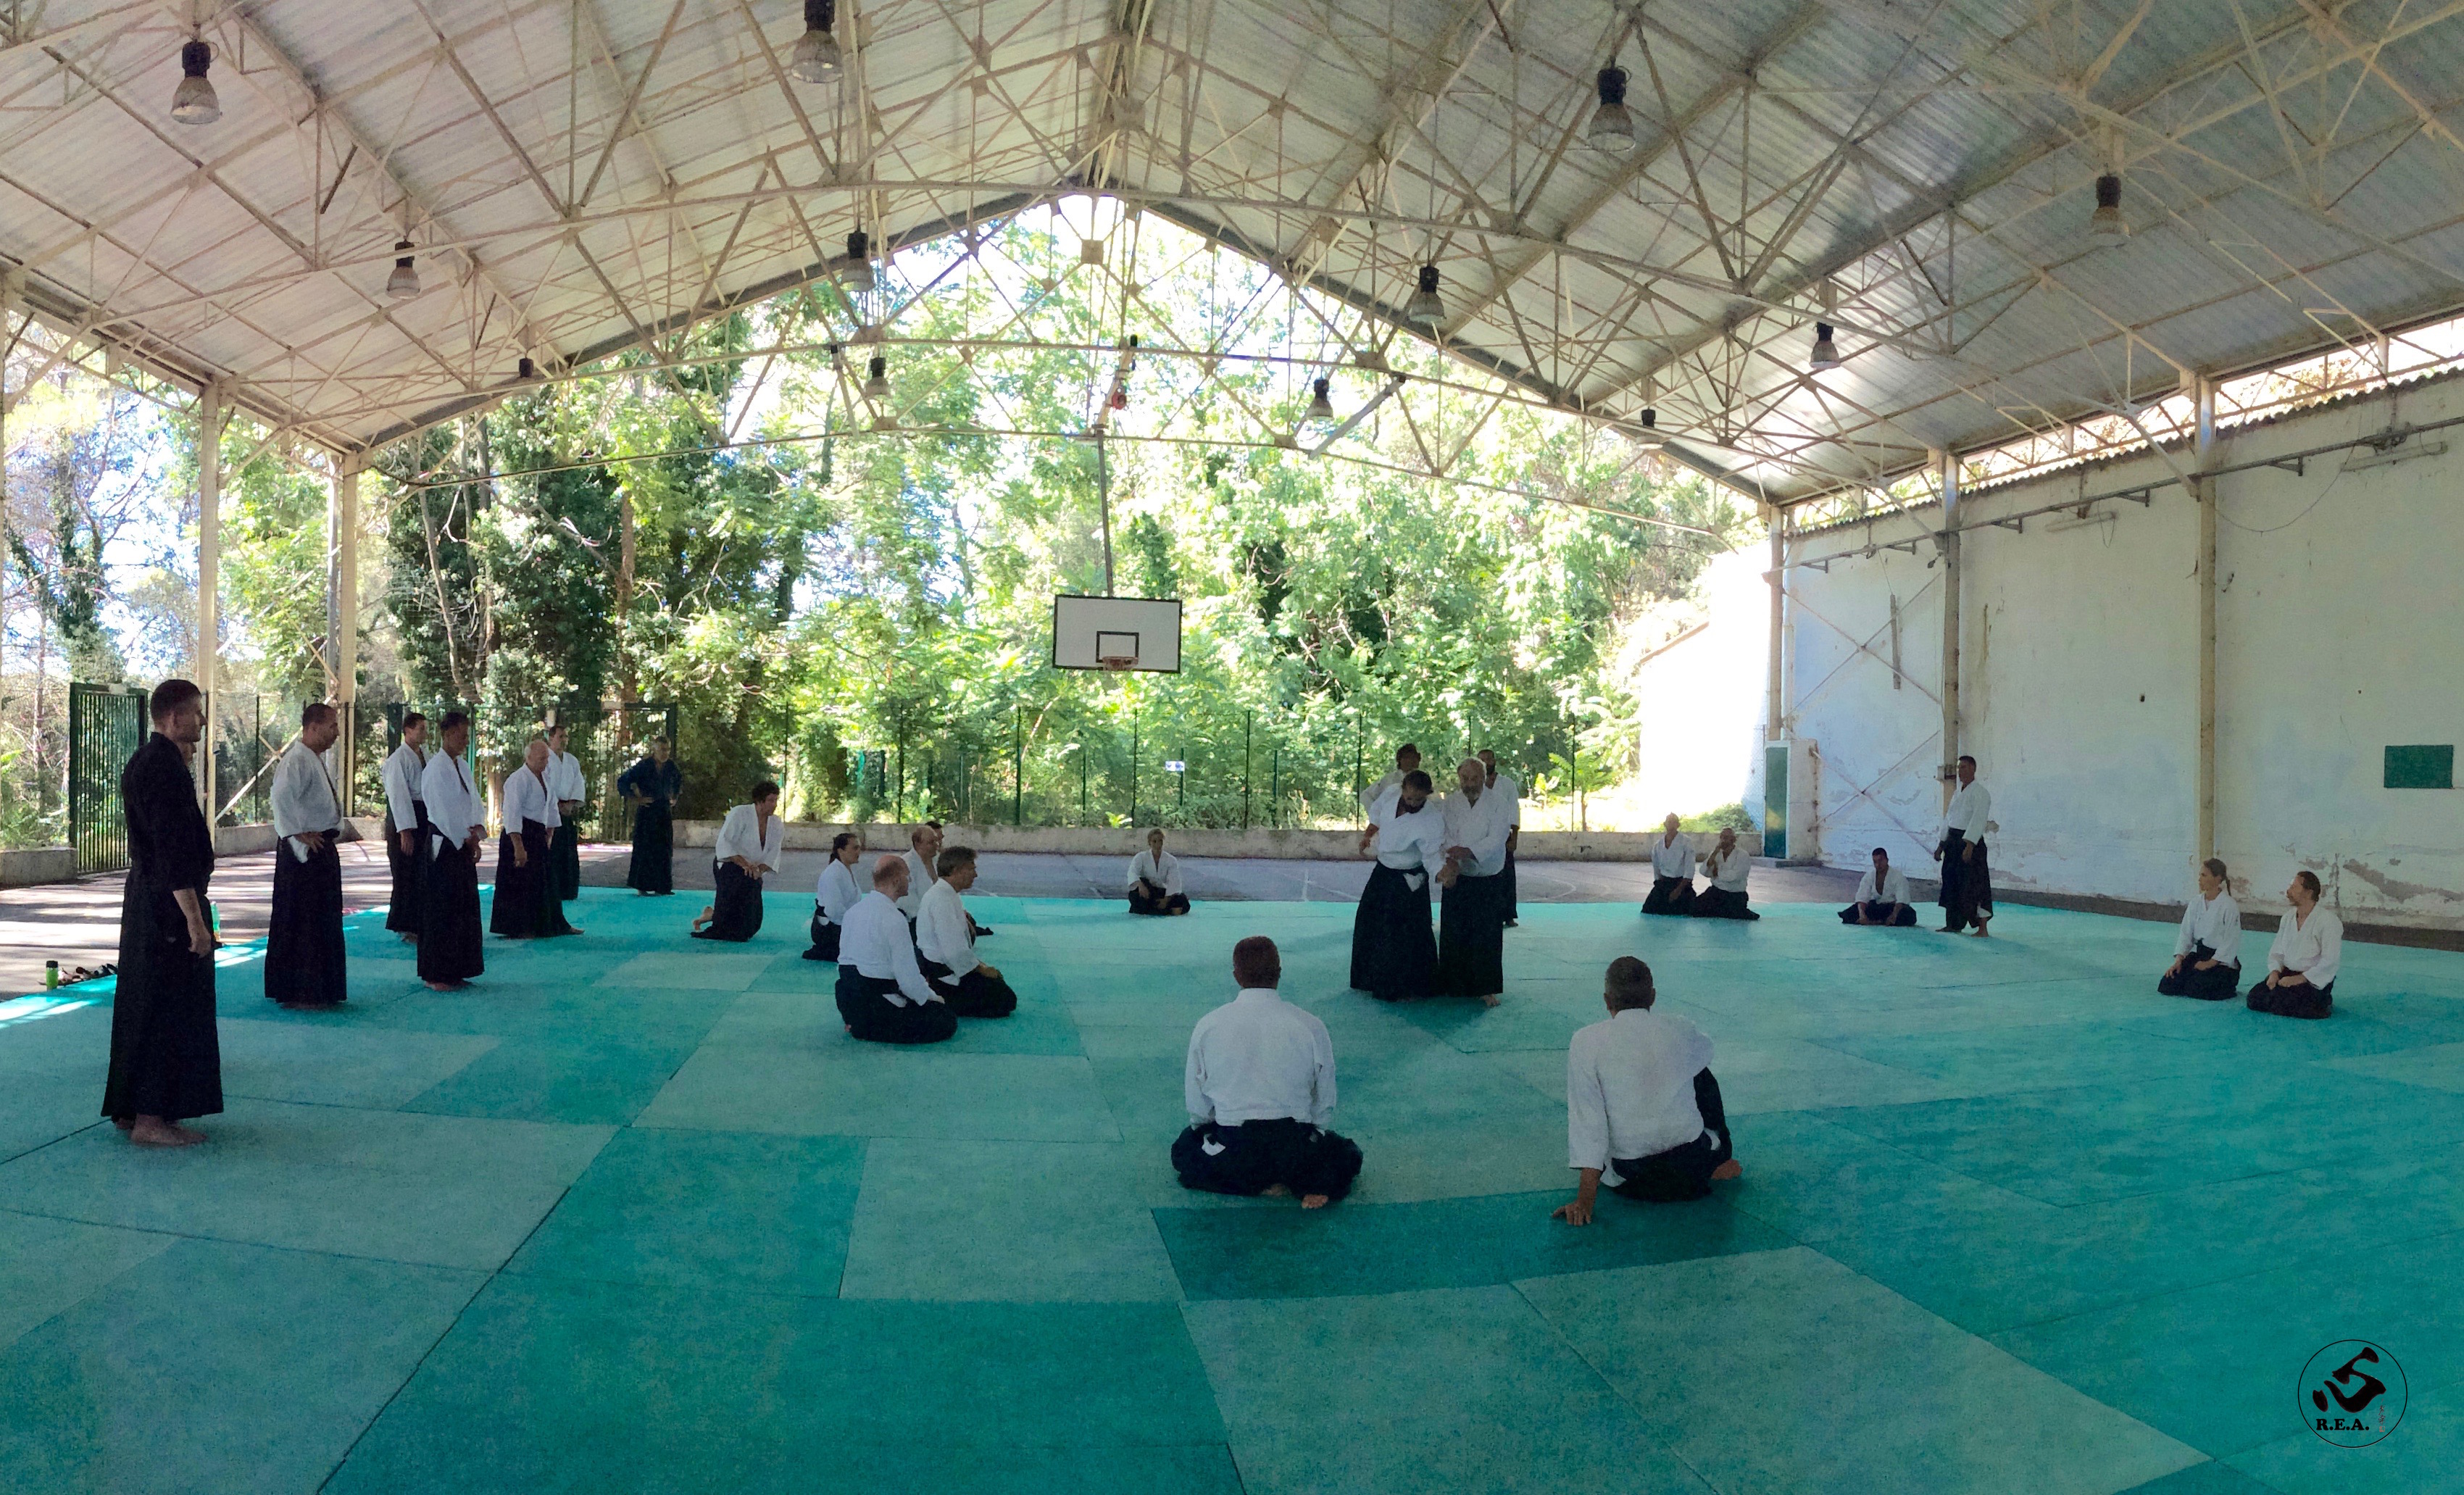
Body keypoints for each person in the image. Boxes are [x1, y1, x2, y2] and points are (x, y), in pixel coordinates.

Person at [103, 678, 222, 1147]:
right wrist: (195, 921)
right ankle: (152, 1119)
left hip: (150, 900)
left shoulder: (148, 760)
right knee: (167, 1005)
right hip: (169, 905)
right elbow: (172, 852)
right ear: (174, 718)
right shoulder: (164, 768)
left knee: (141, 999)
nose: (203, 721)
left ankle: (131, 1106)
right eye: (197, 712)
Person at [1173, 936, 1363, 1207]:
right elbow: (1324, 1102)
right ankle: (1308, 1183)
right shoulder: (1311, 1025)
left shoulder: (1209, 1025)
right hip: (1294, 1146)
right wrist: (1314, 1133)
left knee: (1185, 1149)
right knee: (1346, 1153)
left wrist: (1212, 1126)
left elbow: (1198, 1108)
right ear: (1279, 974)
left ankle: (1253, 1183)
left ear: (1236, 976)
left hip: (1235, 1146)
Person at [1552, 957, 1741, 1222]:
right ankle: (1720, 1160)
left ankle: (1709, 1163)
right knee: (1700, 1072)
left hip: (1635, 1180)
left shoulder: (1585, 1041)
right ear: (1653, 997)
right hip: (1693, 1168)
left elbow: (1589, 1123)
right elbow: (1706, 1050)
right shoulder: (1680, 1027)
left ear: (1607, 1001)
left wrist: (1585, 1201)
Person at [265, 702, 349, 1007]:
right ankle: (299, 990)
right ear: (313, 728)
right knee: (302, 922)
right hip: (303, 854)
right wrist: (296, 836)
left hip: (320, 847)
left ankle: (321, 988)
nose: (337, 732)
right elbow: (279, 798)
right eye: (332, 726)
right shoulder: (296, 760)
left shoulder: (312, 758)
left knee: (322, 920)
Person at [835, 856, 958, 1044]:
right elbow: (908, 979)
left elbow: (844, 962)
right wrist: (932, 997)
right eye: (908, 877)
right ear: (896, 881)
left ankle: (859, 1023)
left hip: (849, 1001)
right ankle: (870, 1028)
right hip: (878, 1004)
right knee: (945, 1019)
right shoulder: (894, 919)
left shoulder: (853, 912)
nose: (910, 881)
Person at [1350, 770, 1446, 1001]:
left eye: (1419, 799)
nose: (1413, 803)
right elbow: (1377, 814)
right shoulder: (1392, 793)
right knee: (1368, 920)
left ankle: (1405, 987)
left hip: (1409, 876)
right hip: (1384, 870)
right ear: (1402, 789)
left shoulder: (1432, 819)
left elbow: (1431, 855)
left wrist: (1441, 873)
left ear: (1428, 795)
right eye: (1409, 797)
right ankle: (1368, 979)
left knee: (1401, 933)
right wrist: (1368, 835)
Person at [417, 712, 487, 991]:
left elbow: (474, 803)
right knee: (441, 909)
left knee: (462, 909)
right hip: (445, 844)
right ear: (447, 734)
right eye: (462, 735)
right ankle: (435, 974)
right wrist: (464, 838)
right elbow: (443, 812)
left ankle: (457, 969)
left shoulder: (463, 766)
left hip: (463, 843)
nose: (465, 741)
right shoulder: (435, 769)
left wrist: (476, 834)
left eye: (467, 736)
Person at [1437, 757, 1515, 1005]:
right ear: (1459, 778)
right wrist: (1452, 858)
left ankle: (1486, 987)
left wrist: (1469, 852)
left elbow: (1498, 838)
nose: (1469, 783)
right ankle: (1453, 984)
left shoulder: (1499, 803)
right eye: (1465, 778)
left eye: (1474, 778)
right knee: (1454, 932)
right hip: (1458, 874)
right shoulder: (1451, 802)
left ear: (1484, 778)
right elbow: (1444, 833)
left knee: (1486, 934)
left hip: (1487, 876)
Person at [917, 847, 1017, 1017]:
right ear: (956, 870)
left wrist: (981, 966)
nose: (975, 875)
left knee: (999, 986)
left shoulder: (947, 894)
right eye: (971, 869)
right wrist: (982, 969)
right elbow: (954, 951)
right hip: (943, 976)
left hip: (949, 967)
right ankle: (942, 1000)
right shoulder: (941, 899)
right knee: (1005, 999)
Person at [494, 740, 580, 939]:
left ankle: (555, 924)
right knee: (521, 883)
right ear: (528, 757)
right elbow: (512, 814)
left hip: (537, 834)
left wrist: (550, 833)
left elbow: (551, 808)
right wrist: (518, 847)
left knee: (547, 881)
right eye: (542, 759)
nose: (546, 762)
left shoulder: (545, 778)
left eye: (547, 758)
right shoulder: (518, 779)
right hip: (519, 834)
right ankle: (521, 927)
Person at [691, 781, 783, 941]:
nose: (774, 805)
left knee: (749, 927)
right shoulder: (740, 813)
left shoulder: (776, 823)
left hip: (753, 871)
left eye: (776, 800)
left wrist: (759, 870)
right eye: (771, 800)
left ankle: (712, 914)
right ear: (759, 801)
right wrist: (744, 865)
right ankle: (716, 917)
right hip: (730, 864)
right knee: (730, 929)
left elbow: (773, 853)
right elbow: (725, 843)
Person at [2248, 869, 2342, 1019]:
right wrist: (2274, 973)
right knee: (2255, 998)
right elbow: (2277, 952)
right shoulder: (2287, 918)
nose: (2288, 891)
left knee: (2284, 1001)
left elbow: (2330, 961)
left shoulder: (2328, 921)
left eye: (2294, 887)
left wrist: (2300, 979)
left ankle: (2321, 1000)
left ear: (2309, 892)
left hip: (2312, 979)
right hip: (2287, 974)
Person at [2159, 858, 2242, 999]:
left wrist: (2210, 963)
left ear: (2218, 878)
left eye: (2204, 875)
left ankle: (2226, 986)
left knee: (2197, 988)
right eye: (2200, 875)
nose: (2199, 879)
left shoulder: (2229, 905)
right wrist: (2179, 961)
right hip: (2200, 955)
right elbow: (2186, 934)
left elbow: (2231, 940)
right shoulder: (2196, 902)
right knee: (2167, 984)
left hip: (2221, 962)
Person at [380, 712, 429, 943]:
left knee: (422, 871)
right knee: (405, 872)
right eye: (420, 728)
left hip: (424, 816)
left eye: (425, 728)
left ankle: (421, 922)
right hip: (405, 818)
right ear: (407, 730)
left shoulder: (426, 755)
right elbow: (398, 797)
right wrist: (405, 831)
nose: (425, 733)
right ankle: (407, 926)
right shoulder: (397, 760)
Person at [1933, 754, 1994, 936]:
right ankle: (1953, 924)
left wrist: (1970, 845)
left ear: (1974, 769)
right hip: (1952, 842)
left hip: (1970, 843)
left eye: (1964, 767)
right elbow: (1949, 819)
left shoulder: (1981, 793)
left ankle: (1982, 928)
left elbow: (1978, 820)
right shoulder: (1957, 793)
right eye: (1959, 768)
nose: (1961, 771)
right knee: (1951, 883)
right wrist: (1941, 845)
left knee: (1976, 885)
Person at [617, 737, 680, 896]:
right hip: (647, 811)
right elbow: (623, 781)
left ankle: (662, 886)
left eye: (667, 750)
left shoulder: (671, 767)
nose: (665, 753)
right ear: (654, 749)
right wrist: (635, 798)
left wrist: (674, 797)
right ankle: (642, 886)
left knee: (664, 849)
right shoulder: (644, 766)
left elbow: (679, 782)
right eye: (662, 750)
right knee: (645, 848)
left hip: (663, 811)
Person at [1478, 749, 1523, 927]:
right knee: (1483, 875)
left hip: (1503, 834)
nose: (1486, 763)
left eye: (1488, 759)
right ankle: (1484, 912)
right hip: (1480, 836)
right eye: (1482, 760)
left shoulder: (1507, 784)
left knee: (1507, 875)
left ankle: (1508, 914)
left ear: (1494, 761)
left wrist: (1514, 836)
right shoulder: (1474, 784)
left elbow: (1514, 810)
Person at [544, 722, 586, 904]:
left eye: (566, 737)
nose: (564, 740)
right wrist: (556, 804)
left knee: (568, 852)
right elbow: (544, 784)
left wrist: (571, 803)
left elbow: (579, 783)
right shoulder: (544, 759)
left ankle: (568, 889)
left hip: (567, 811)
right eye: (560, 736)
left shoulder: (572, 761)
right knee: (552, 852)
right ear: (551, 738)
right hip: (549, 811)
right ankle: (552, 889)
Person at [804, 832, 863, 961]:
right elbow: (834, 911)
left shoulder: (845, 871)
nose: (859, 851)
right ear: (841, 851)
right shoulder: (832, 874)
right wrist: (855, 927)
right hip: (829, 931)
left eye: (859, 848)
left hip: (845, 925)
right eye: (855, 848)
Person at [1689, 826, 1759, 920]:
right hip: (1716, 892)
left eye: (1726, 838)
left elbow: (1735, 876)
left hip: (1735, 894)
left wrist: (1717, 873)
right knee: (1693, 909)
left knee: (1733, 914)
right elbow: (1704, 871)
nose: (1723, 840)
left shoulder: (1743, 855)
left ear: (1733, 840)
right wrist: (1714, 854)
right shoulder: (1716, 853)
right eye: (1722, 837)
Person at [1839, 846, 1917, 927]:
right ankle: (1880, 921)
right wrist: (1862, 915)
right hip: (1875, 907)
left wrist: (1894, 916)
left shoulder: (1898, 876)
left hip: (1892, 908)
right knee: (1849, 914)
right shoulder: (1869, 876)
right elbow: (1862, 898)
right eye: (1875, 862)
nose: (1878, 865)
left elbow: (1902, 900)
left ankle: (1876, 921)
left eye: (1881, 861)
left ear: (1887, 860)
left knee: (1908, 914)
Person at [1641, 814, 1697, 916]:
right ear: (1664, 824)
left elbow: (1690, 868)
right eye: (1669, 822)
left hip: (1681, 883)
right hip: (1664, 882)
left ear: (1678, 825)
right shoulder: (1658, 845)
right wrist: (1659, 885)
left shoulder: (1686, 842)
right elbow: (1656, 868)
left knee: (1682, 911)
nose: (1671, 825)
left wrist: (1678, 890)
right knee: (1648, 909)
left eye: (1674, 822)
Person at [1127, 828, 1191, 915]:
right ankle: (1164, 910)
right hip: (1146, 891)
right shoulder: (1141, 857)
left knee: (1181, 900)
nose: (1158, 844)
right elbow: (1132, 872)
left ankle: (1155, 910)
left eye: (1160, 841)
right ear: (1149, 842)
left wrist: (1166, 900)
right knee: (1136, 896)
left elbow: (1174, 881)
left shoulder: (1171, 860)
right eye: (1154, 841)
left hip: (1161, 892)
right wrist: (1140, 885)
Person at [1360, 743, 1421, 822]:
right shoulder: (1390, 779)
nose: (1410, 761)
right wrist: (1377, 817)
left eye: (1414, 757)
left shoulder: (1423, 780)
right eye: (1406, 758)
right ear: (1400, 760)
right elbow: (1366, 795)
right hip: (1392, 822)